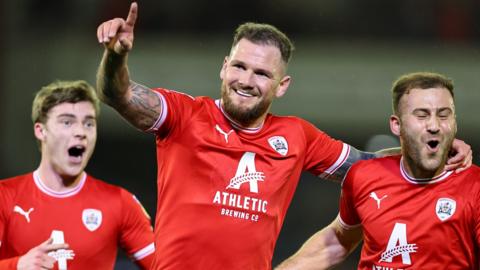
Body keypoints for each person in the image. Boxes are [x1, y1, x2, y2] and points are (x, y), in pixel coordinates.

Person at [95, 3, 471, 269]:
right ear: (224, 68)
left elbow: (370, 170)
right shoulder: (184, 115)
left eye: (261, 74)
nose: (246, 80)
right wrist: (115, 57)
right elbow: (119, 96)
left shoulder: (296, 136)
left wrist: (431, 144)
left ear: (282, 85)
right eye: (239, 67)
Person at [275, 72, 480, 269]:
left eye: (444, 115)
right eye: (422, 115)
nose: (434, 125)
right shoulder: (364, 176)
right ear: (396, 125)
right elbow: (337, 242)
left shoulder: (474, 186)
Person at [0, 80, 155, 269]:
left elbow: (165, 266)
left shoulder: (121, 203)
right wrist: (17, 266)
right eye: (67, 122)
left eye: (89, 123)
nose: (81, 132)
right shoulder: (4, 197)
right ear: (41, 131)